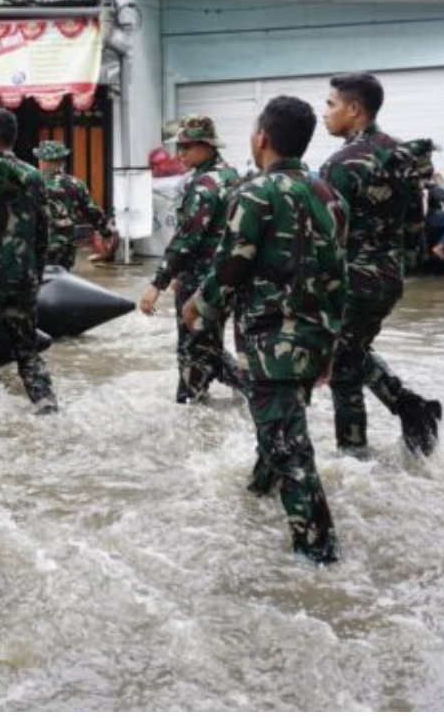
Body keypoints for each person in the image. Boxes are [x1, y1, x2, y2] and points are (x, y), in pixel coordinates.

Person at [182, 96, 345, 564]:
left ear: (262, 138)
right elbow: (340, 278)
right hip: (314, 339)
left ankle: (318, 555)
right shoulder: (329, 195)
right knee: (279, 432)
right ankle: (256, 492)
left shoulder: (255, 194)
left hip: (271, 343)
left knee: (291, 451)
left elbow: (231, 267)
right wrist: (330, 347)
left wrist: (199, 308)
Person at [320, 72, 441, 457]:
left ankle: (353, 456)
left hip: (352, 280)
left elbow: (326, 236)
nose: (325, 113)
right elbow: (415, 223)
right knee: (352, 351)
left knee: (342, 369)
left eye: (331, 104)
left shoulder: (341, 164)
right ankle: (411, 407)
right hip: (389, 277)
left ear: (354, 110)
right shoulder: (401, 154)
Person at [138, 116, 244, 404]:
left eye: (187, 147)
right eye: (179, 147)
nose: (180, 154)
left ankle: (190, 408)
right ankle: (249, 390)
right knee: (207, 343)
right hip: (226, 278)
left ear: (207, 146)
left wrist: (157, 282)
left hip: (202, 280)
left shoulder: (205, 185)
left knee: (191, 347)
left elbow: (187, 239)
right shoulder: (232, 175)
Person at [0, 108, 57, 413]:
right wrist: (35, 274)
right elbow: (44, 234)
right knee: (27, 350)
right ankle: (46, 405)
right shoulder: (34, 177)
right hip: (24, 278)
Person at [35, 140, 115, 271]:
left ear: (42, 161)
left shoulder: (29, 183)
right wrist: (106, 233)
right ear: (62, 161)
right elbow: (93, 213)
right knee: (62, 283)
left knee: (38, 285)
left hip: (36, 246)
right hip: (64, 248)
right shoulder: (74, 184)